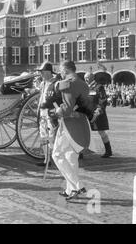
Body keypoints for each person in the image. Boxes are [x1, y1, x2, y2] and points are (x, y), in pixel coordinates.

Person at [52, 61, 91, 201]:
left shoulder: (68, 84)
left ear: (65, 70)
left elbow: (67, 110)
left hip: (69, 126)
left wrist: (57, 110)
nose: (61, 74)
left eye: (61, 71)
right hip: (81, 124)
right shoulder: (83, 83)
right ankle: (70, 189)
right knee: (70, 156)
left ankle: (77, 186)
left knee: (56, 154)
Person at [35, 62, 61, 168]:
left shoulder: (56, 84)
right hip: (42, 113)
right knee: (43, 136)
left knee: (52, 137)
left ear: (48, 72)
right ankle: (47, 159)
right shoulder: (43, 84)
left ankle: (56, 158)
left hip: (51, 113)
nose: (41, 74)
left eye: (43, 72)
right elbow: (41, 96)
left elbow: (59, 99)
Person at [84, 72, 113, 158]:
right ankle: (81, 152)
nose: (86, 79)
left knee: (101, 132)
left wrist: (98, 111)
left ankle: (108, 150)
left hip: (97, 114)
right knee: (84, 132)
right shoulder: (86, 88)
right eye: (85, 78)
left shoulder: (99, 87)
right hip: (87, 113)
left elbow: (103, 100)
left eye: (87, 78)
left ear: (92, 78)